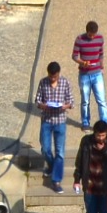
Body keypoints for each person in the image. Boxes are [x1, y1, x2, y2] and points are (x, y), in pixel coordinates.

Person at [34, 61, 74, 191]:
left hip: (60, 121)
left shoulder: (65, 83)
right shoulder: (43, 82)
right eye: (51, 76)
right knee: (45, 148)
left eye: (55, 77)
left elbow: (71, 101)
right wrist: (43, 105)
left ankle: (56, 181)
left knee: (60, 152)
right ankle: (51, 166)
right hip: (47, 120)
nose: (52, 79)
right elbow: (37, 101)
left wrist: (64, 106)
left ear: (58, 74)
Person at [71, 19, 107, 127]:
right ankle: (85, 122)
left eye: (94, 35)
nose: (92, 37)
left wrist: (101, 65)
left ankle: (104, 123)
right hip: (84, 75)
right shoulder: (79, 39)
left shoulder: (100, 38)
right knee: (85, 101)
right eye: (90, 35)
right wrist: (82, 63)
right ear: (86, 32)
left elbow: (101, 54)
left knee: (101, 100)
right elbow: (74, 56)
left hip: (97, 73)